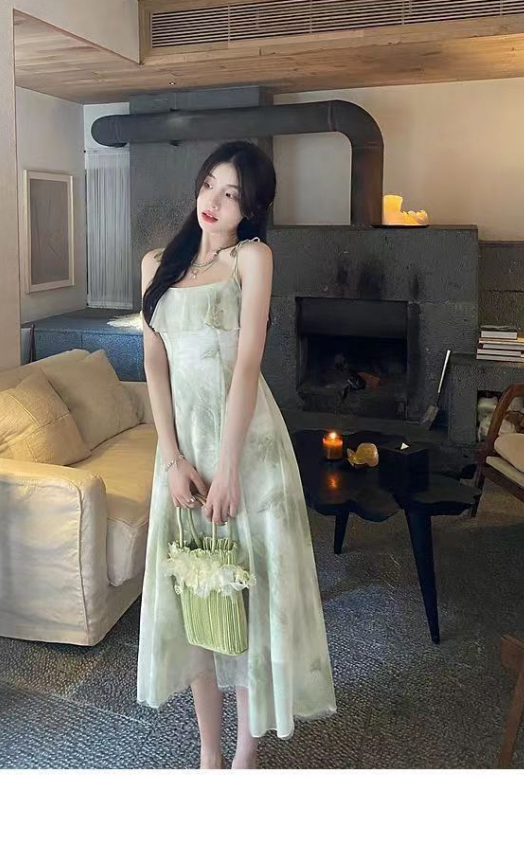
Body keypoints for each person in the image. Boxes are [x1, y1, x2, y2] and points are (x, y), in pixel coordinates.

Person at [136, 140, 336, 769]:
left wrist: (227, 470)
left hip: (244, 447)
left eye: (232, 194)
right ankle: (209, 753)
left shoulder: (252, 257)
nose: (214, 202)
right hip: (182, 450)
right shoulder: (156, 265)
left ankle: (245, 755)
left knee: (246, 601)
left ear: (250, 209)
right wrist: (173, 459)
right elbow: (154, 363)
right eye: (209, 185)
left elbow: (248, 364)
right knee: (195, 594)